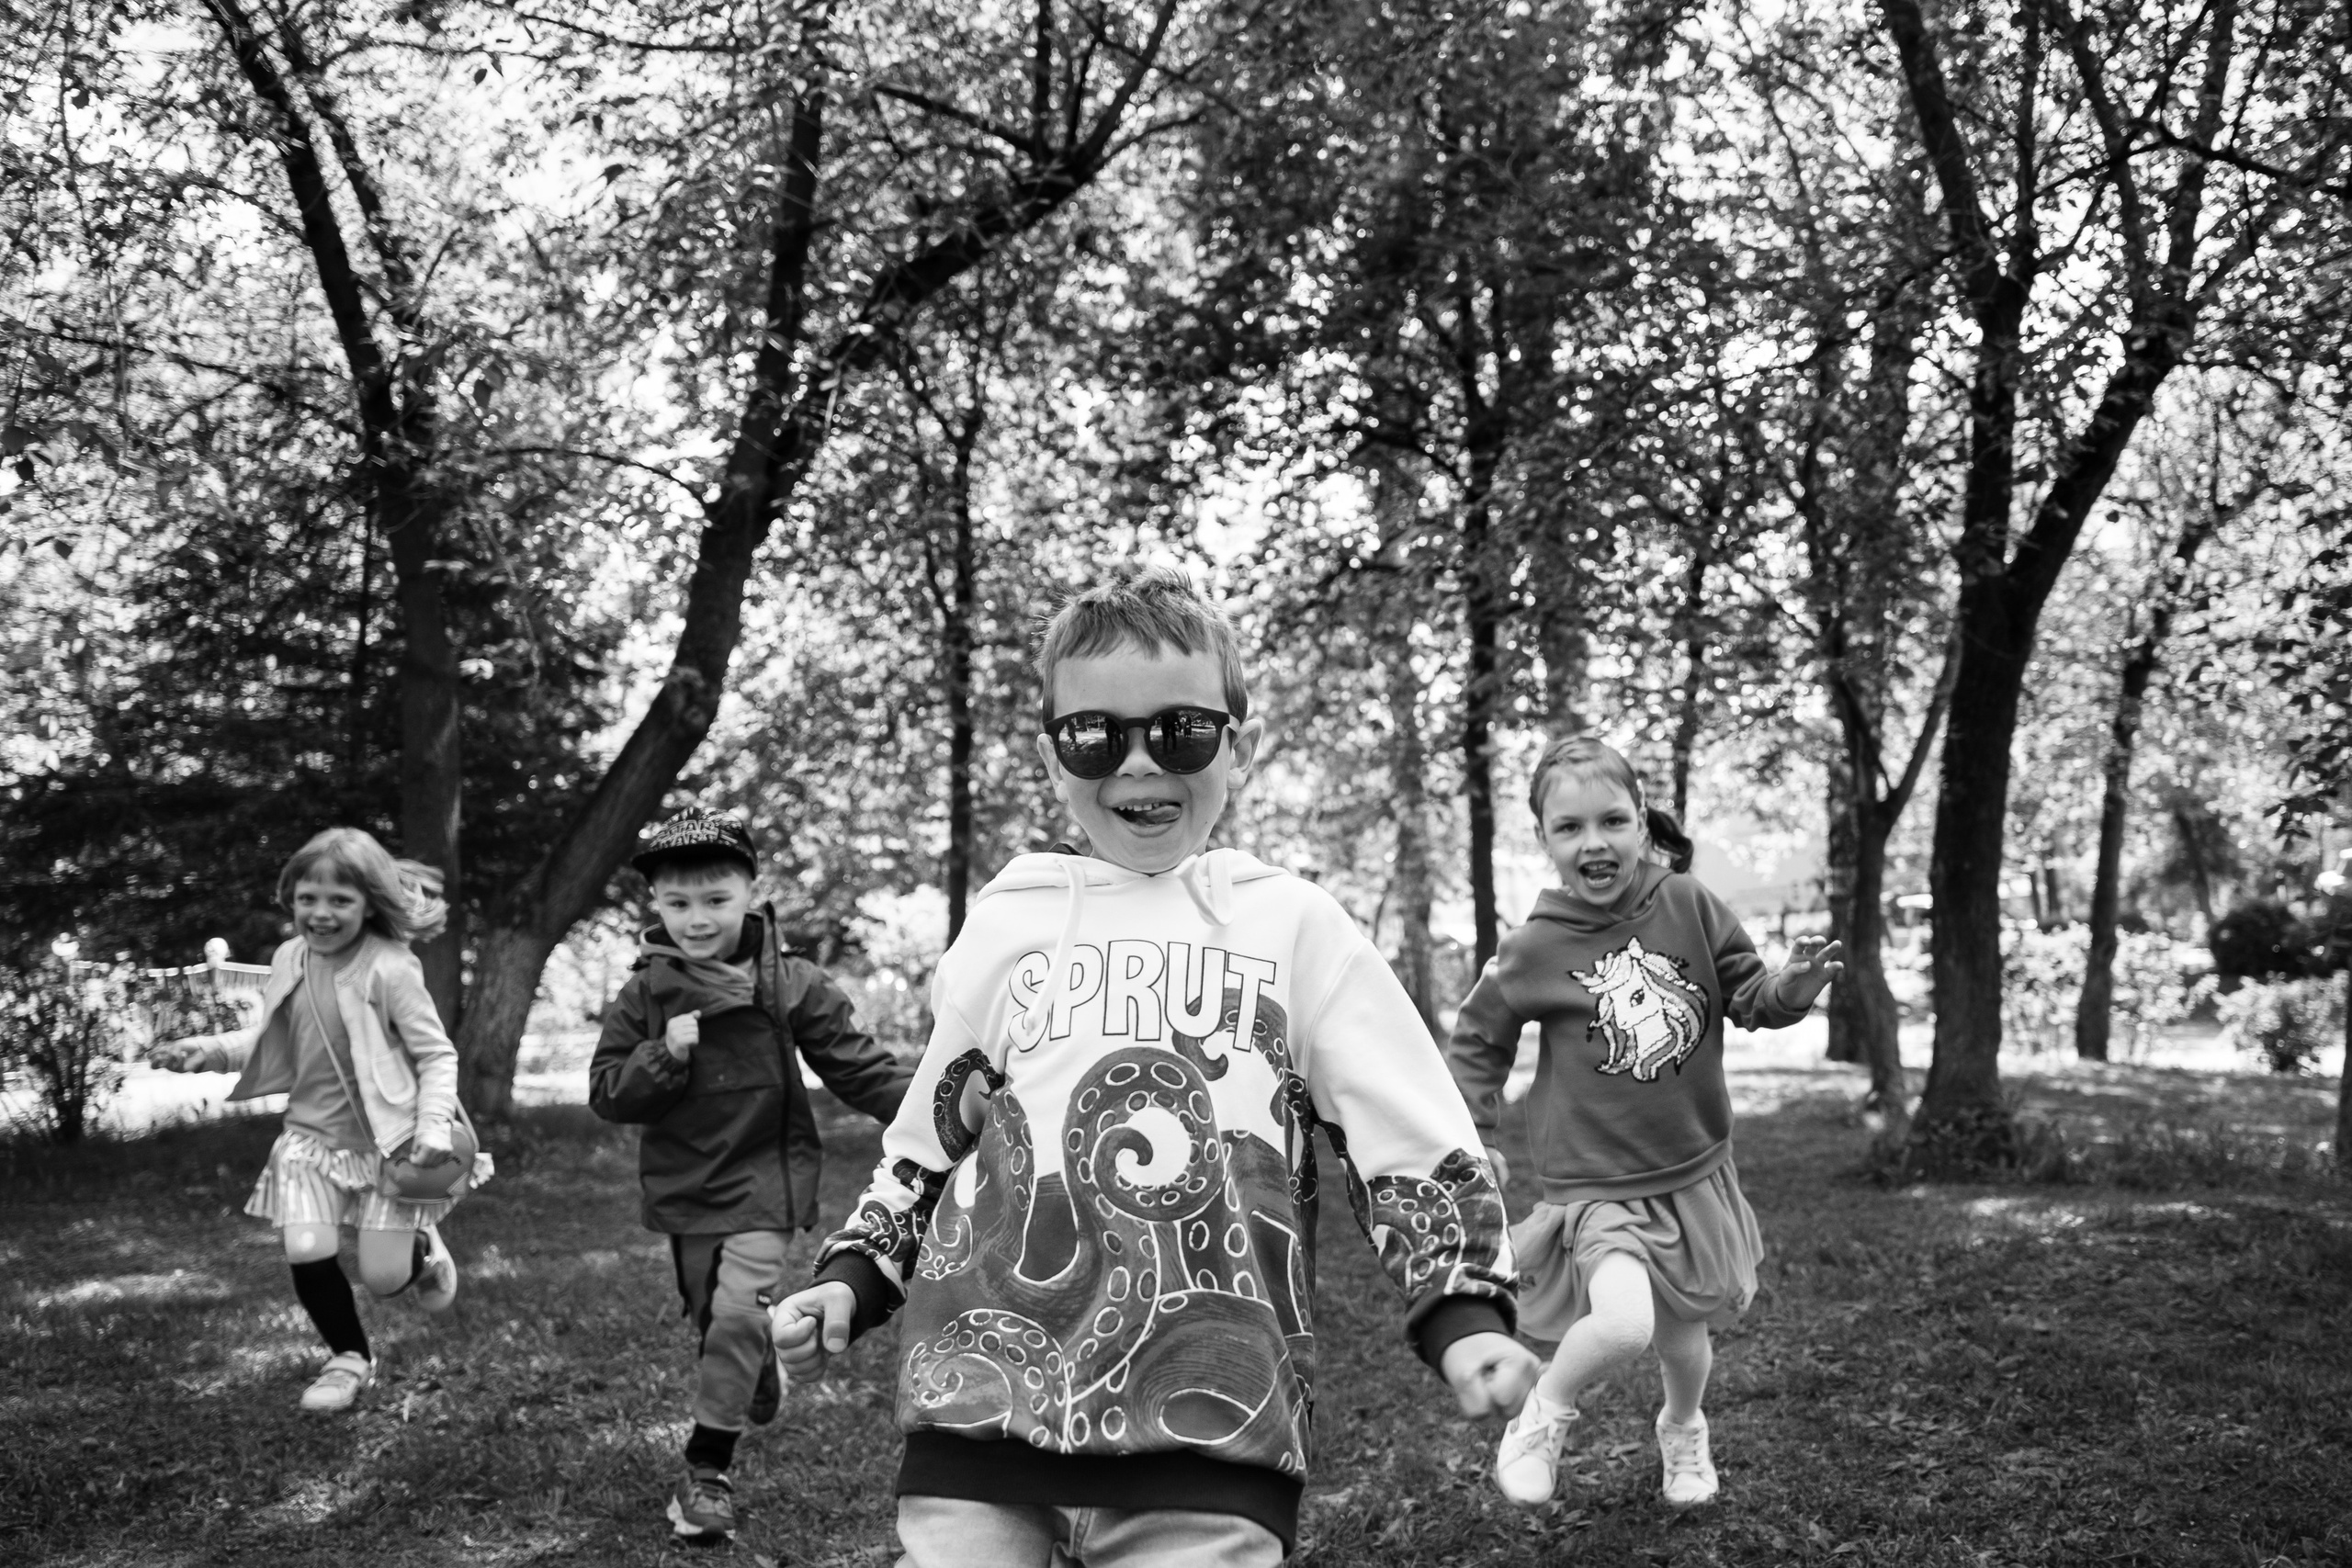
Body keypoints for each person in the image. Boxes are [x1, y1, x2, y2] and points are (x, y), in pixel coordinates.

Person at [766, 565, 1540, 1568]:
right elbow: (926, 1145)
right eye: (1095, 736)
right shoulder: (1010, 926)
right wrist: (853, 1279)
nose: (1136, 764)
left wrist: (1464, 1309)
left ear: (1239, 746)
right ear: (1052, 758)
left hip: (1212, 1425)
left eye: (1178, 731)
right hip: (977, 1413)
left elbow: (1410, 1136)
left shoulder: (1292, 929)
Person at [1445, 736, 1844, 1510]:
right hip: (1598, 1186)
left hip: (1690, 1172)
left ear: (1640, 823)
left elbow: (1751, 996)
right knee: (1625, 1323)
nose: (1594, 842)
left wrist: (1791, 987)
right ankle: (1543, 1415)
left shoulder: (1689, 903)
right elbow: (1478, 1037)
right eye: (1570, 828)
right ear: (1545, 840)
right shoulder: (1535, 946)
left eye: (1612, 820)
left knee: (1683, 1338)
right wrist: (1476, 1132)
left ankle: (1683, 1427)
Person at [589, 806, 913, 1542]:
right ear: (655, 905)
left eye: (715, 899)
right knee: (715, 1321)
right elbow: (608, 1093)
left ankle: (707, 1473)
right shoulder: (645, 994)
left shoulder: (792, 982)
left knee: (736, 1314)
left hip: (767, 1181)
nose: (697, 918)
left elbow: (861, 1070)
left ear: (749, 890)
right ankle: (750, 1363)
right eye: (678, 903)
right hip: (685, 1188)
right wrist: (662, 1054)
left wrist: (948, 1102)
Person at [150, 828, 483, 1414]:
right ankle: (349, 1357)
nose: (320, 913)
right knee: (307, 1246)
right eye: (308, 898)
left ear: (370, 904)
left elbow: (436, 1055)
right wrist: (212, 1052)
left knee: (383, 1278)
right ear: (290, 896)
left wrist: (433, 1126)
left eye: (340, 901)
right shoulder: (290, 958)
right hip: (307, 1141)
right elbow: (279, 1034)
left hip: (391, 1147)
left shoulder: (390, 968)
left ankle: (423, 1251)